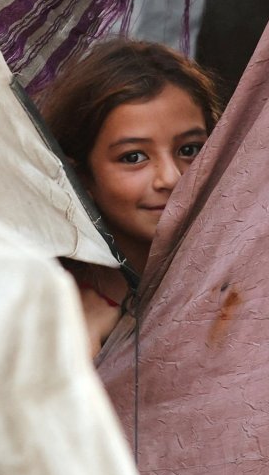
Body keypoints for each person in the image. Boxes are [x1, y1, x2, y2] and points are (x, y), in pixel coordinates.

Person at [38, 38, 222, 355]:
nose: (172, 178)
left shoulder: (242, 277)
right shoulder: (42, 311)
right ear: (81, 177)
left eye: (189, 150)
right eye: (134, 157)